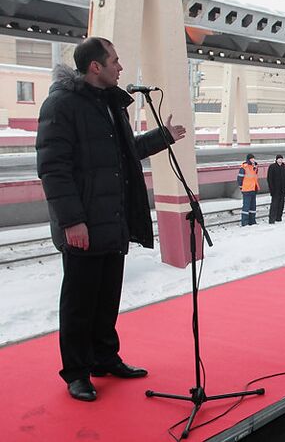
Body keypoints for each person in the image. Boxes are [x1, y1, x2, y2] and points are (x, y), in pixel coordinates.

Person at [36, 37, 186, 402]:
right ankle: (77, 372)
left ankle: (104, 357)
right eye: (115, 61)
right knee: (79, 302)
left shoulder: (110, 104)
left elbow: (125, 152)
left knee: (106, 298)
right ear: (95, 67)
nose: (121, 67)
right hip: (83, 223)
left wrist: (161, 137)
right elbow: (53, 169)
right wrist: (72, 221)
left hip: (111, 219)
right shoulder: (62, 105)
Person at [267, 154, 285, 224]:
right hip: (275, 190)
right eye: (279, 159)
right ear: (276, 159)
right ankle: (272, 219)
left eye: (281, 159)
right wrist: (271, 189)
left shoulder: (284, 167)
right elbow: (269, 179)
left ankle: (278, 218)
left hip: (282, 190)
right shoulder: (272, 167)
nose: (280, 160)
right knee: (274, 205)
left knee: (281, 205)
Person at [238, 154, 259, 225]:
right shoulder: (244, 167)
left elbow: (254, 178)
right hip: (246, 189)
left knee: (253, 207)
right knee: (246, 207)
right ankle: (245, 222)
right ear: (248, 159)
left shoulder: (255, 167)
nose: (253, 160)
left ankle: (252, 221)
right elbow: (239, 178)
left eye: (254, 158)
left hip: (253, 189)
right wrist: (241, 187)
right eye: (252, 159)